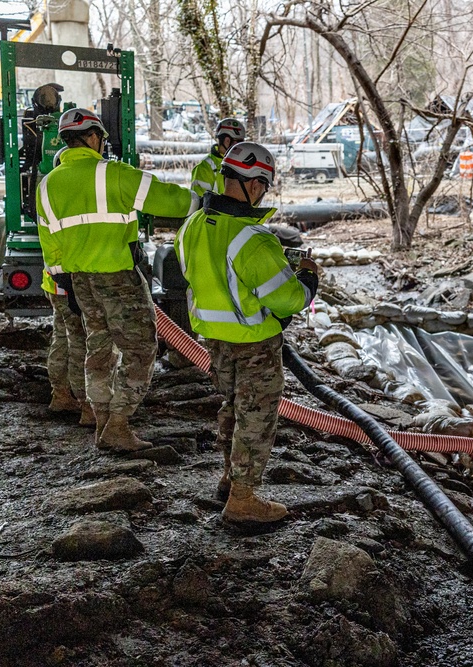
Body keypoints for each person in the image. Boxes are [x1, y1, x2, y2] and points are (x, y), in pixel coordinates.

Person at [174, 141, 319, 523]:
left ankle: (229, 477)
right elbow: (288, 299)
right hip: (254, 341)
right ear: (254, 185)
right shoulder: (252, 240)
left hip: (215, 340)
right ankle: (243, 498)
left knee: (232, 408)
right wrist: (308, 279)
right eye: (264, 186)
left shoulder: (190, 227)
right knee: (256, 417)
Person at [37, 108, 196, 452]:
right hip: (119, 278)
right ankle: (119, 424)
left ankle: (99, 420)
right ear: (94, 137)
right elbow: (176, 201)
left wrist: (65, 284)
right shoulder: (113, 174)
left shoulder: (47, 185)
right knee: (140, 349)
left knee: (98, 347)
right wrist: (204, 199)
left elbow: (50, 244)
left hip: (79, 281)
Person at [43, 147, 92, 426]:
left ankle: (60, 395)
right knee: (79, 343)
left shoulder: (49, 195)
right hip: (68, 282)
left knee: (61, 337)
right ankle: (86, 406)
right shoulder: (73, 199)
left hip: (53, 281)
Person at [190, 118, 245, 198]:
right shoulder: (205, 167)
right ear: (227, 140)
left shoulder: (242, 163)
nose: (242, 147)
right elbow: (198, 202)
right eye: (239, 142)